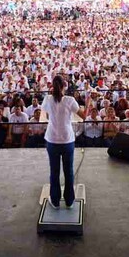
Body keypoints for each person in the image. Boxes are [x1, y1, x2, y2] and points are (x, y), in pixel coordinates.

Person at [42, 74, 86, 209]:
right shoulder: (70, 100)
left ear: (52, 86)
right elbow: (83, 116)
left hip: (52, 139)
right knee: (69, 170)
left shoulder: (47, 99)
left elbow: (46, 115)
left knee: (54, 171)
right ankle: (69, 201)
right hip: (67, 140)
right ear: (64, 86)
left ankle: (55, 201)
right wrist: (88, 104)